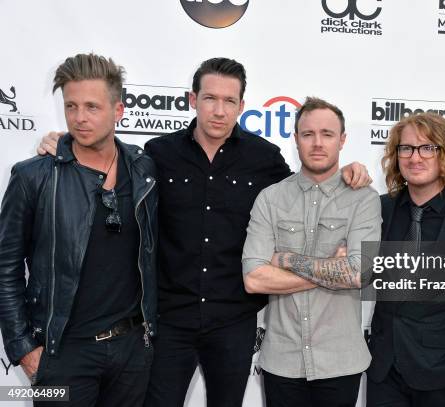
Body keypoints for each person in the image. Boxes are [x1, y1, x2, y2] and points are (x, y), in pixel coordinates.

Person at [38, 57, 372, 407]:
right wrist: (64, 143)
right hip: (168, 320)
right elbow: (103, 161)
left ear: (242, 106)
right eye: (210, 98)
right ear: (192, 100)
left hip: (234, 321)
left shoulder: (264, 157)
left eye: (229, 101)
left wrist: (347, 169)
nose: (219, 110)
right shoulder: (157, 153)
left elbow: (305, 184)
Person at [0, 53, 158, 407]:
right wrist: (23, 348)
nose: (79, 118)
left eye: (92, 106)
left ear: (118, 111)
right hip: (62, 355)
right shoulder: (33, 176)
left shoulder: (144, 169)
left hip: (132, 351)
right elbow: (5, 268)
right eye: (71, 106)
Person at [241, 96, 381, 407]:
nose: (317, 143)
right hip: (281, 359)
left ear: (342, 140)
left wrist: (288, 261)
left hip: (341, 361)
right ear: (296, 139)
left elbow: (360, 273)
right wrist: (331, 268)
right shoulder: (270, 198)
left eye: (327, 134)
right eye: (308, 134)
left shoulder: (364, 200)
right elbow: (254, 279)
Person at [367, 113, 445, 407]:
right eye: (405, 148)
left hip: (443, 370)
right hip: (384, 367)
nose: (414, 157)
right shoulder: (379, 209)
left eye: (427, 148)